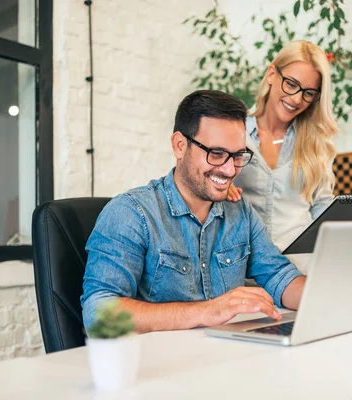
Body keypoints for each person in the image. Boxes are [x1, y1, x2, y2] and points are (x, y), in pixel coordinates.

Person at [81, 90, 306, 333]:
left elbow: (278, 276)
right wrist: (209, 311)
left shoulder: (240, 212)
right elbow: (99, 314)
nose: (230, 170)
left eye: (238, 155)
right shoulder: (131, 214)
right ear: (180, 146)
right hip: (160, 365)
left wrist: (334, 295)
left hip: (223, 358)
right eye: (217, 154)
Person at [228, 40, 338, 253]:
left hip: (299, 272)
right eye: (291, 84)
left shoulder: (316, 144)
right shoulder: (234, 133)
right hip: (243, 270)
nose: (297, 99)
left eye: (308, 93)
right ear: (271, 75)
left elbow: (322, 211)